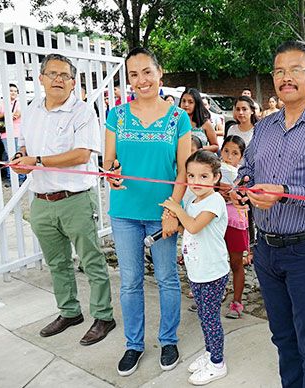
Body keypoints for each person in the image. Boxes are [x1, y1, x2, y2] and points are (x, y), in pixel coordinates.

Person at [231, 40, 305, 387]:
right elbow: (248, 168)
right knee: (283, 338)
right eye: (279, 71)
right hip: (266, 250)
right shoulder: (265, 127)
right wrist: (244, 186)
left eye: (295, 70)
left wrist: (284, 194)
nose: (286, 78)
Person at [9, 54, 115, 346]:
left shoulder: (82, 112)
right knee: (57, 263)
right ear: (41, 79)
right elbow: (24, 147)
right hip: (41, 201)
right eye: (52, 74)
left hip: (75, 199)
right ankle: (69, 312)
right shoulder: (31, 111)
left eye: (64, 75)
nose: (58, 79)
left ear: (73, 82)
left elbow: (83, 154)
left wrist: (38, 160)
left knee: (91, 261)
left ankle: (103, 316)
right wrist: (20, 159)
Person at [104, 47, 192, 376]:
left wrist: (173, 210)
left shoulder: (177, 117)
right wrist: (110, 173)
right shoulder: (117, 115)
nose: (141, 80)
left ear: (160, 72)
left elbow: (183, 170)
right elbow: (108, 161)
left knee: (168, 279)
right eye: (133, 74)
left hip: (162, 212)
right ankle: (134, 344)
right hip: (124, 211)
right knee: (130, 282)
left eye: (146, 72)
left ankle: (168, 339)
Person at [159, 150, 230, 385]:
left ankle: (218, 363)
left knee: (210, 318)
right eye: (191, 176)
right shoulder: (192, 200)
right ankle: (210, 353)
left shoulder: (215, 202)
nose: (196, 182)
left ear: (216, 177)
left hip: (213, 271)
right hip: (197, 271)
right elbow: (186, 229)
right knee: (203, 315)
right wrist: (174, 222)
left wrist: (176, 210)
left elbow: (194, 226)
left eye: (203, 177)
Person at [219, 135, 249, 319]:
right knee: (217, 259)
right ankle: (214, 296)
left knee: (236, 262)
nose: (229, 156)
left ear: (241, 157)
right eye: (226, 151)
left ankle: (237, 301)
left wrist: (233, 194)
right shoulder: (215, 170)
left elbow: (246, 197)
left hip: (236, 222)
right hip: (216, 220)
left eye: (235, 153)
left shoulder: (243, 175)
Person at [179, 88, 219, 153]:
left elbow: (215, 146)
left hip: (199, 160)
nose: (186, 104)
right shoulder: (175, 122)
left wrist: (199, 149)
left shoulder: (205, 123)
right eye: (183, 101)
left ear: (196, 104)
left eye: (190, 102)